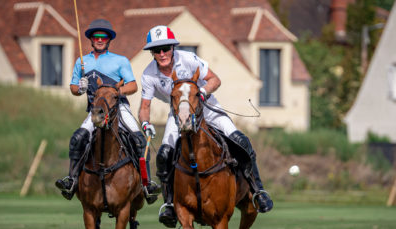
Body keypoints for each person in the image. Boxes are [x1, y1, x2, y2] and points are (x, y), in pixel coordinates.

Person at [138, 25, 273, 228]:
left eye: (166, 48)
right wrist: (146, 123)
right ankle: (168, 204)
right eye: (157, 50)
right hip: (179, 115)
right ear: (152, 53)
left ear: (173, 48)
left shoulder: (189, 59)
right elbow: (145, 106)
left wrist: (201, 92)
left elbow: (214, 79)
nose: (162, 53)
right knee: (164, 155)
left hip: (208, 108)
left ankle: (257, 190)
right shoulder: (149, 75)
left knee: (241, 141)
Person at [55, 19, 159, 202]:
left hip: (119, 108)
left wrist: (116, 91)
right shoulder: (82, 61)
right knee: (77, 139)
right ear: (91, 39)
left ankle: (146, 183)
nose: (100, 39)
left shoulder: (120, 61)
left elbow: (133, 85)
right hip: (95, 111)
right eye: (96, 36)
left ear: (109, 39)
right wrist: (79, 88)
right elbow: (73, 88)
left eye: (104, 36)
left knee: (139, 139)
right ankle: (71, 180)